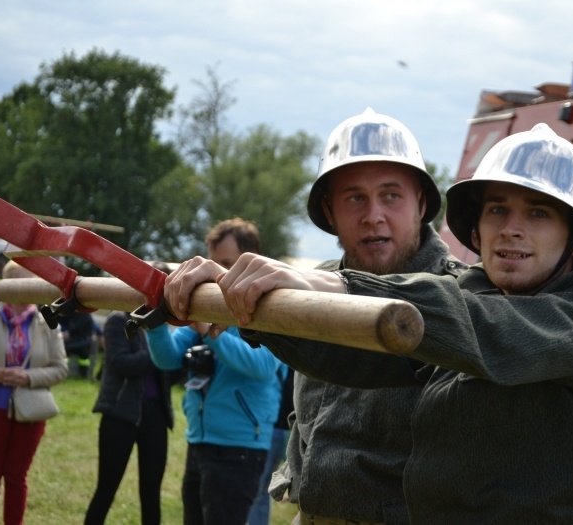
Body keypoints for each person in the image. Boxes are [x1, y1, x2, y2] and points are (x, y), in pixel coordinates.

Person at [165, 123, 573, 524]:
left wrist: (334, 287)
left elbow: (490, 327)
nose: (511, 228)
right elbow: (361, 353)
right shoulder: (475, 294)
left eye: (537, 212)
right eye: (497, 209)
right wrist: (250, 302)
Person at [170, 108, 466, 525]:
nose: (374, 215)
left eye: (391, 195)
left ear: (422, 203)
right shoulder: (308, 286)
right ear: (329, 212)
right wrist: (225, 283)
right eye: (354, 198)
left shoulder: (463, 295)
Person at [146, 217, 286, 525]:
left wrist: (212, 332)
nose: (214, 274)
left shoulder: (270, 306)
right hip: (200, 442)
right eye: (212, 263)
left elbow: (263, 367)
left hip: (239, 449)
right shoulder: (208, 302)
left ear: (250, 260)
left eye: (225, 263)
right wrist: (154, 319)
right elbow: (168, 358)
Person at [0, 260, 68, 525]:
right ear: (5, 286)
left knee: (16, 477)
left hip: (31, 411)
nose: (24, 289)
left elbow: (60, 369)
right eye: (18, 283)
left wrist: (29, 377)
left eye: (30, 283)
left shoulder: (48, 324)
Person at [84, 308, 176, 525]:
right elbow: (120, 363)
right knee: (107, 488)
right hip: (120, 413)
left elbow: (170, 374)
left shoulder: (160, 325)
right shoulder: (118, 321)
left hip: (155, 415)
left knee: (151, 492)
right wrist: (159, 351)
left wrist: (180, 357)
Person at [247, 366, 294, 525]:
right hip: (281, 429)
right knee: (260, 491)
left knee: (257, 491)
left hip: (273, 428)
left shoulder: (275, 358)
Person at [57, 311, 98, 378]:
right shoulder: (74, 314)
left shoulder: (84, 315)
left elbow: (76, 328)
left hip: (83, 341)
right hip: (77, 340)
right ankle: (65, 371)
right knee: (65, 348)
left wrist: (68, 333)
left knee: (67, 348)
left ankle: (82, 374)